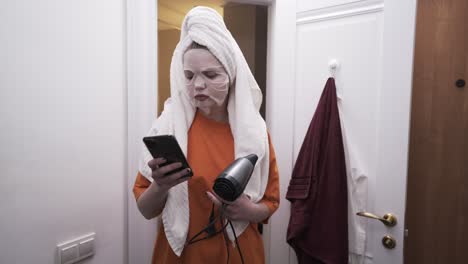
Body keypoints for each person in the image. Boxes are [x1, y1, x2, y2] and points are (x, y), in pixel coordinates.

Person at [132, 6, 279, 264]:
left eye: (211, 75)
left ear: (231, 75)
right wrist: (161, 185)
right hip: (181, 255)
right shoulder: (168, 129)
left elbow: (270, 203)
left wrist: (247, 210)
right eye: (189, 76)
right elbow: (145, 210)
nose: (197, 86)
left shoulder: (255, 133)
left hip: (239, 253)